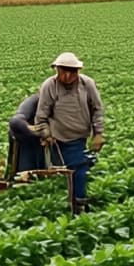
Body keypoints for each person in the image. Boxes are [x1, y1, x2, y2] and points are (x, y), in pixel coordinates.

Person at [33, 52, 105, 214]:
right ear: (56, 69)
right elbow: (41, 115)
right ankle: (78, 203)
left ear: (78, 71)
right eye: (63, 70)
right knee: (76, 169)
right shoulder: (49, 86)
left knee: (77, 167)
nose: (67, 75)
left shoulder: (87, 84)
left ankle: (77, 201)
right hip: (59, 137)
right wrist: (45, 133)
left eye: (72, 71)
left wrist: (98, 133)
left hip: (80, 135)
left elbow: (97, 109)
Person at [8, 93, 43, 177]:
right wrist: (35, 133)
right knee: (26, 175)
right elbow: (16, 121)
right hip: (28, 141)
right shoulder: (34, 101)